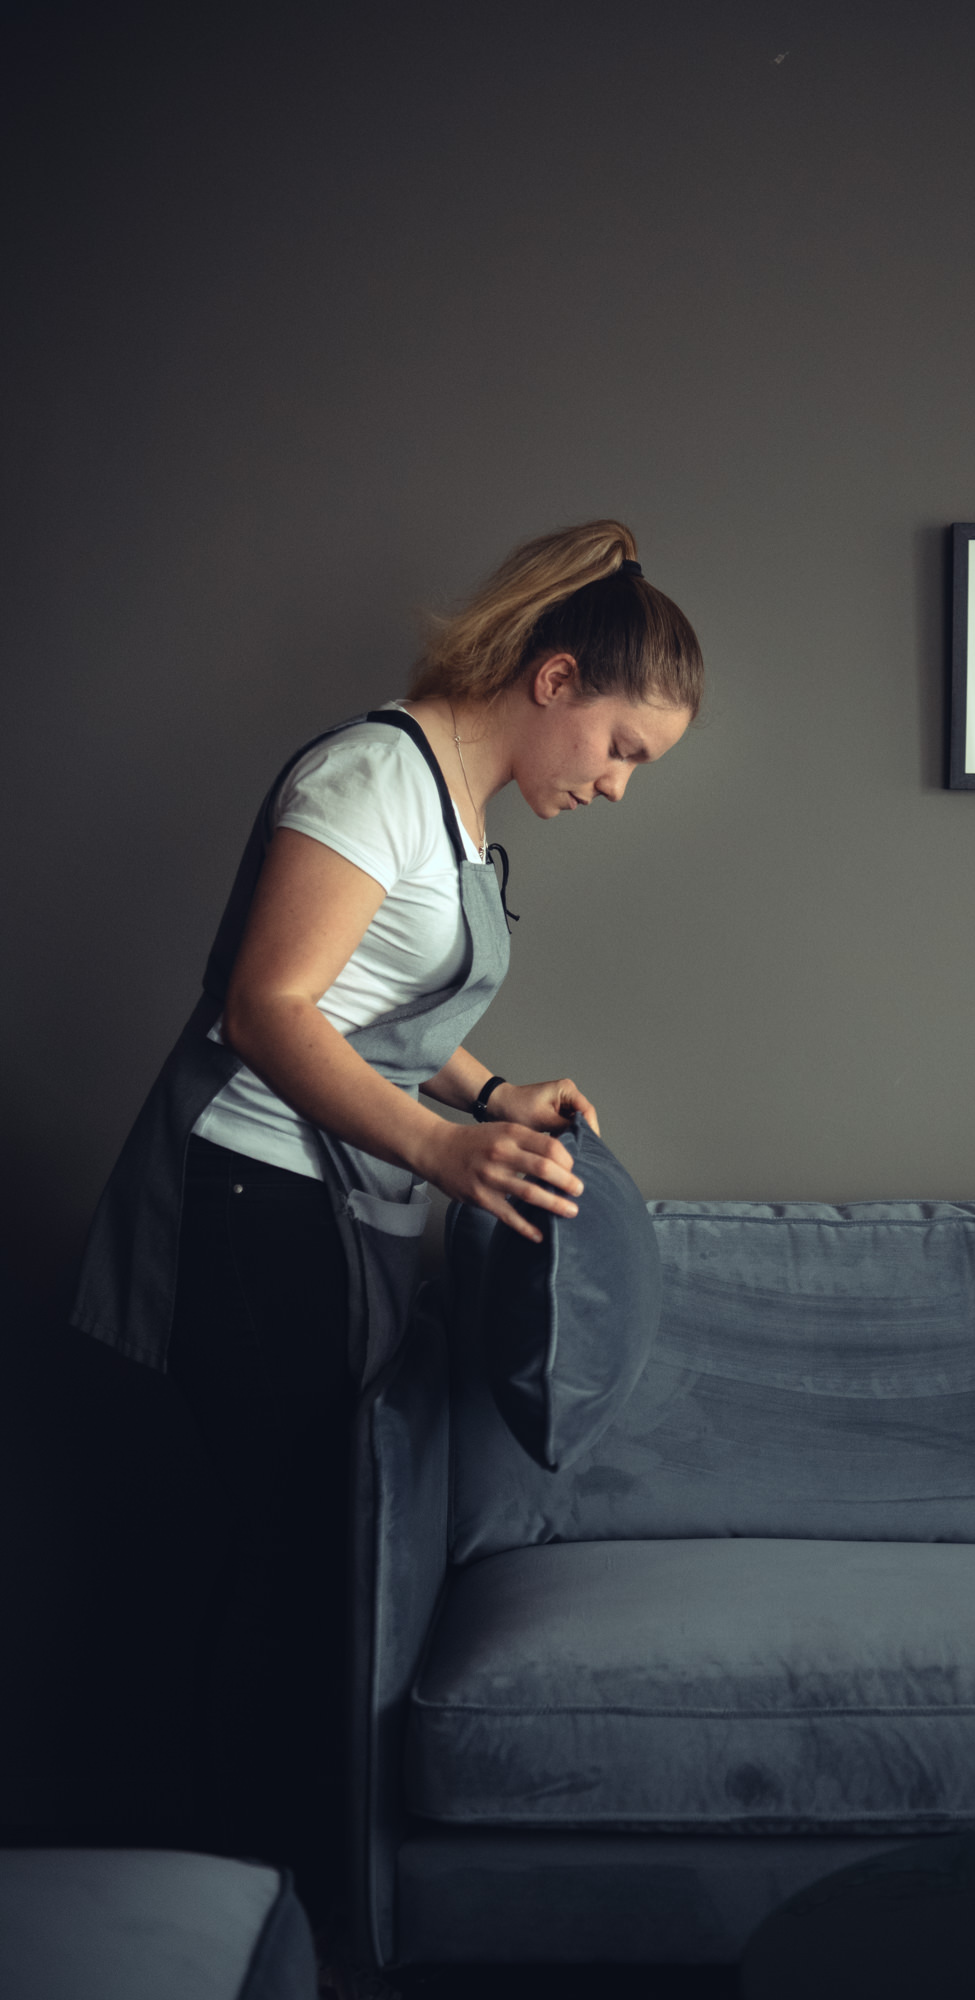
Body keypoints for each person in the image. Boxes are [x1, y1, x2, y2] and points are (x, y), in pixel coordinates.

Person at [69, 519, 702, 1949]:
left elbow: (373, 1007)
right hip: (246, 1209)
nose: (615, 784)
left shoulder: (452, 809)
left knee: (300, 1566)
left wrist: (490, 1090)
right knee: (280, 1571)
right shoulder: (369, 778)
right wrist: (442, 1148)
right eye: (622, 749)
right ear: (554, 679)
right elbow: (268, 1010)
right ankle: (238, 1931)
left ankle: (258, 1920)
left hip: (318, 1206)